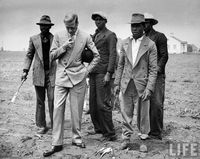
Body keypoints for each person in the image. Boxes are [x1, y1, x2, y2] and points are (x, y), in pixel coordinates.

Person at [43, 13, 100, 157]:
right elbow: (51, 56)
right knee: (57, 109)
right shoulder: (58, 35)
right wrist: (63, 47)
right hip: (62, 78)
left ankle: (76, 138)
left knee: (76, 111)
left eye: (72, 27)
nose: (70, 30)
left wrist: (86, 71)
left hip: (78, 78)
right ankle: (56, 143)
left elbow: (97, 56)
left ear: (77, 23)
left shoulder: (86, 36)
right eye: (67, 27)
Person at [114, 13, 157, 149]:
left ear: (143, 26)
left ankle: (143, 139)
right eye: (133, 25)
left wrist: (149, 88)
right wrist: (117, 83)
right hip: (126, 83)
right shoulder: (125, 42)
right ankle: (126, 138)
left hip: (142, 85)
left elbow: (153, 69)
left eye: (138, 25)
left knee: (143, 114)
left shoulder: (150, 45)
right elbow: (120, 65)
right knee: (126, 112)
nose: (134, 28)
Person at [21, 15, 56, 134]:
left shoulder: (55, 39)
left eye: (46, 26)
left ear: (49, 27)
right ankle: (41, 125)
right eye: (41, 25)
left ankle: (55, 125)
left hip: (52, 74)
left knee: (52, 100)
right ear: (39, 26)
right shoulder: (33, 39)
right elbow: (29, 55)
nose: (43, 28)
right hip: (39, 74)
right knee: (40, 101)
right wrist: (25, 70)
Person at [88, 11, 117, 141]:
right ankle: (99, 128)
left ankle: (110, 133)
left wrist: (109, 73)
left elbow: (113, 55)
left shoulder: (110, 35)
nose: (97, 21)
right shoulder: (95, 35)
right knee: (93, 103)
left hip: (103, 73)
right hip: (93, 72)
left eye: (100, 19)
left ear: (105, 21)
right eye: (96, 19)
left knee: (103, 103)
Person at [144, 13, 168, 140]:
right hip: (144, 75)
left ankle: (156, 132)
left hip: (157, 76)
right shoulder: (141, 38)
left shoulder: (159, 36)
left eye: (147, 22)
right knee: (145, 103)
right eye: (142, 23)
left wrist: (157, 70)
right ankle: (147, 130)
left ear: (152, 23)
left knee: (157, 103)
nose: (144, 25)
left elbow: (164, 56)